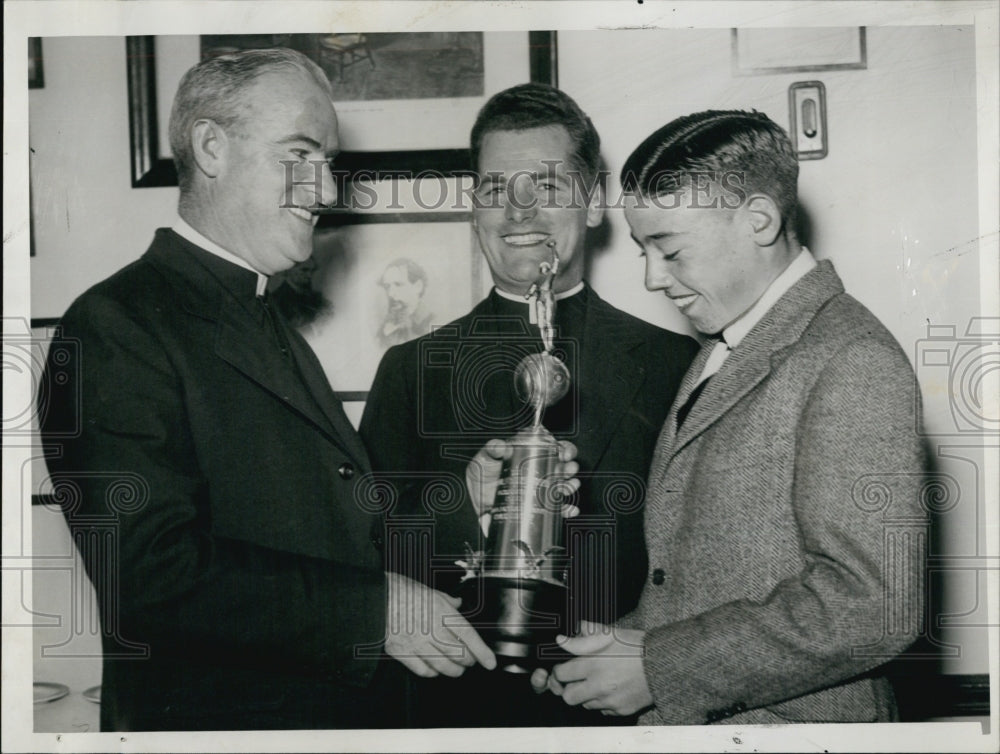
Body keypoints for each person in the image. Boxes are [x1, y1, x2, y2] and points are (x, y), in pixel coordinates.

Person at [38, 48, 557, 731]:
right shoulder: (115, 324)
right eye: (301, 154)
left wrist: (464, 496)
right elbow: (146, 576)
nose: (325, 189)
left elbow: (324, 530)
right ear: (211, 147)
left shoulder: (260, 317)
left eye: (329, 162)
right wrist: (376, 611)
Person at [531, 109, 927, 724]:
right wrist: (613, 648)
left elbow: (872, 605)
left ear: (759, 221)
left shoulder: (852, 358)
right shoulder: (725, 344)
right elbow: (703, 579)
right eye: (642, 249)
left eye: (669, 249)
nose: (652, 278)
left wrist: (660, 668)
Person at [359, 83, 698, 727]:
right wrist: (462, 503)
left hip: (623, 718)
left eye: (545, 187)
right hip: (451, 717)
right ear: (475, 210)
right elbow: (361, 562)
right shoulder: (408, 371)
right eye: (494, 190)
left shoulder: (675, 364)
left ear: (593, 203)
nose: (519, 213)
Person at [376, 257, 434, 348]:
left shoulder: (432, 324)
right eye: (387, 286)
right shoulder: (386, 326)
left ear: (418, 286)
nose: (390, 294)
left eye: (398, 285)